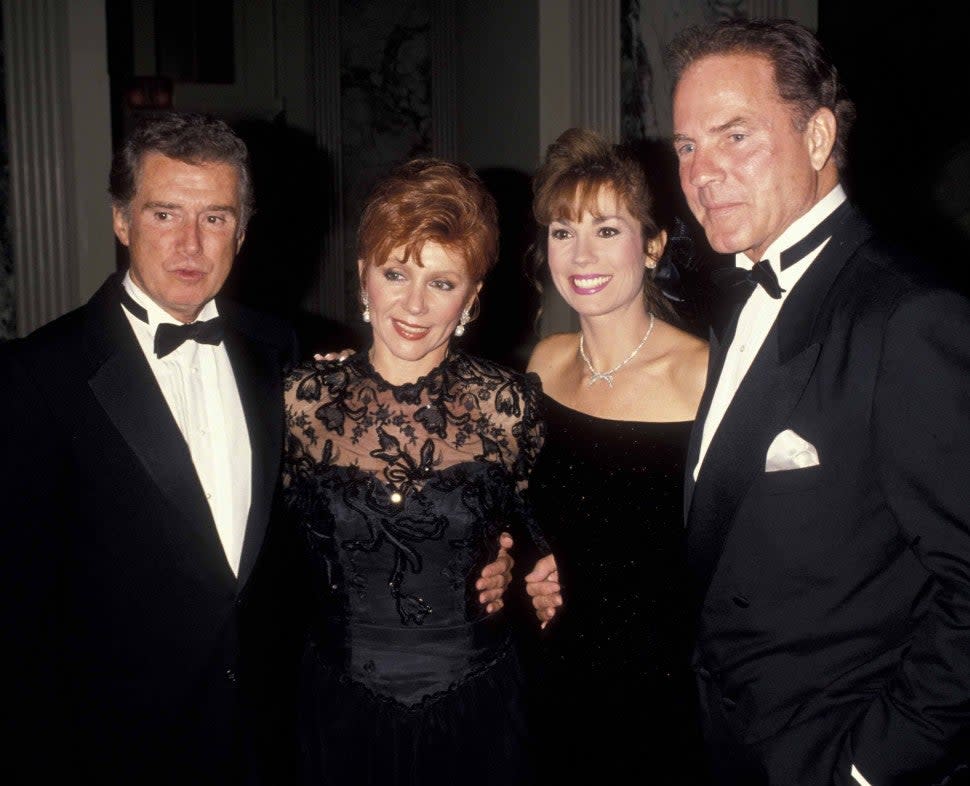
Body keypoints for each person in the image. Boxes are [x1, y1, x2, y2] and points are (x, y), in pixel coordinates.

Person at [0, 114, 512, 786]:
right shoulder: (38, 376)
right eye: (164, 213)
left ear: (242, 230)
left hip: (278, 735)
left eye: (215, 217)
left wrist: (496, 560)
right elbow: (15, 617)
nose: (190, 242)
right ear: (122, 220)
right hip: (116, 749)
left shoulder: (288, 356)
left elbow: (350, 516)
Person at [666, 18, 970, 785]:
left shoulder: (909, 316)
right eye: (686, 146)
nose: (703, 172)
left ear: (817, 136)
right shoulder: (743, 296)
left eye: (734, 135)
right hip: (731, 742)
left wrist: (877, 762)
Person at [281, 158, 546, 786]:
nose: (414, 304)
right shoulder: (298, 401)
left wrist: (519, 569)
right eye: (395, 273)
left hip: (477, 716)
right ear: (362, 277)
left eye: (442, 282)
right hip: (339, 716)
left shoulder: (511, 407)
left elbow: (542, 543)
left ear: (473, 297)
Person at [522, 128, 709, 784]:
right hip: (553, 676)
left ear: (653, 246)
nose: (580, 254)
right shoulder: (542, 365)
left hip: (666, 696)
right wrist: (526, 565)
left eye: (607, 229)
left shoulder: (703, 375)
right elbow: (517, 508)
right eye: (563, 230)